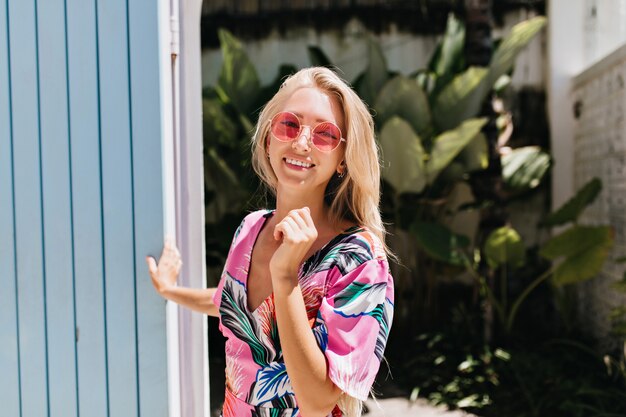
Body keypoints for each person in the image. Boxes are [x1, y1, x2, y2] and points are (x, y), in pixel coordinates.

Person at [146, 67, 394, 417]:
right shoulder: (251, 229)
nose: (302, 142)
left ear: (342, 160)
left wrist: (287, 276)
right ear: (268, 138)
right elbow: (231, 304)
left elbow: (319, 400)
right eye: (289, 125)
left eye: (325, 134)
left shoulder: (358, 259)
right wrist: (170, 291)